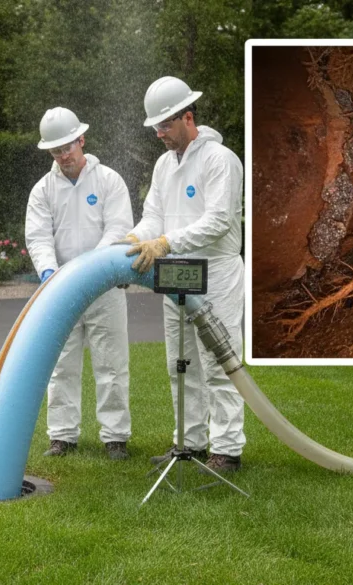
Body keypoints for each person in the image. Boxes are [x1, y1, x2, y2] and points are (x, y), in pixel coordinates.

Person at [117, 76, 246, 472]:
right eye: (155, 127)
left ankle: (226, 449)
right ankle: (188, 443)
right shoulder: (163, 164)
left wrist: (167, 243)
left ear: (188, 117)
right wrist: (136, 239)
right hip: (176, 273)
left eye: (165, 126)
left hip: (216, 271)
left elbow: (219, 221)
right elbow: (154, 215)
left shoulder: (219, 160)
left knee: (219, 362)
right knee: (181, 360)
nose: (159, 134)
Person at [25, 106, 134, 461]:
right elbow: (38, 237)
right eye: (55, 150)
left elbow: (118, 229)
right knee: (62, 365)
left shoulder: (109, 181)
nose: (63, 155)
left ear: (81, 139)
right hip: (60, 292)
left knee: (111, 363)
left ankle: (115, 437)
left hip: (105, 288)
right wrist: (48, 273)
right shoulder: (43, 190)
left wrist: (91, 272)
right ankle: (62, 436)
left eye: (67, 147)